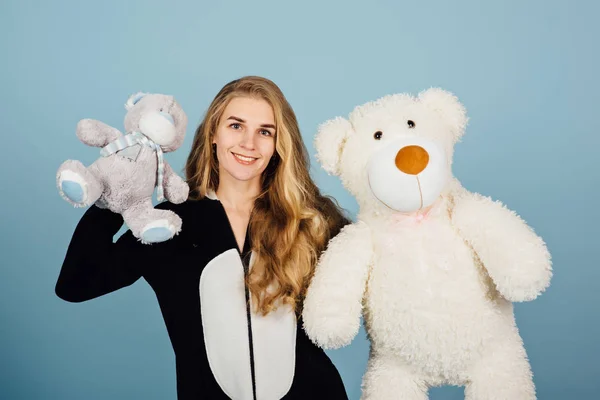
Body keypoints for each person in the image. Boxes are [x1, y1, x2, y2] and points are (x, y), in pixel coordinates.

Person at [55, 76, 351, 400]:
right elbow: (75, 284)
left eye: (265, 131)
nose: (249, 143)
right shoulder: (167, 223)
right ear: (213, 133)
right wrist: (119, 188)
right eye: (236, 126)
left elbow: (383, 282)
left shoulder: (308, 220)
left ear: (279, 145)